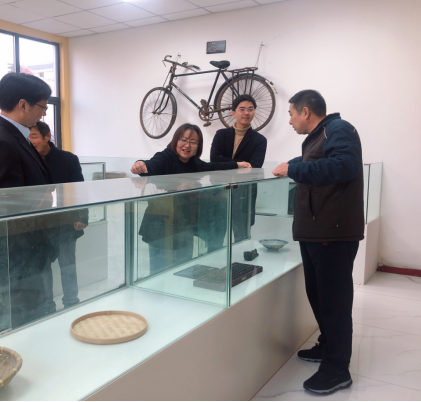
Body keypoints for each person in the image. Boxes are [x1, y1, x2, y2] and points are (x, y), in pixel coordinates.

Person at [272, 90, 364, 395]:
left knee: (334, 302)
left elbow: (344, 165)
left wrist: (293, 169)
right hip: (317, 232)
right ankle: (328, 345)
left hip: (332, 234)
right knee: (319, 295)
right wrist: (292, 163)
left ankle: (337, 370)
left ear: (306, 112)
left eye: (290, 114)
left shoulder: (339, 129)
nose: (289, 121)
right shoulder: (320, 136)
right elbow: (318, 161)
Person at [0, 73, 56, 336]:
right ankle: (9, 353)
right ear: (23, 104)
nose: (44, 113)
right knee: (16, 314)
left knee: (27, 309)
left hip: (27, 244)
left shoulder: (13, 135)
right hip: (19, 247)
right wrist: (41, 199)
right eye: (42, 106)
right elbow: (7, 203)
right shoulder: (1, 140)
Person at [131, 123, 251, 276]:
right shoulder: (165, 157)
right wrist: (141, 164)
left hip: (184, 228)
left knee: (183, 271)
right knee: (159, 274)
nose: (187, 145)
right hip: (160, 228)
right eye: (183, 140)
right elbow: (152, 164)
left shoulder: (195, 164)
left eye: (193, 142)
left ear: (198, 146)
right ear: (176, 140)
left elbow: (214, 166)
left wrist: (237, 165)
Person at [29, 121, 88, 309]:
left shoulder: (68, 159)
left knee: (67, 266)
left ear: (47, 136)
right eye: (28, 138)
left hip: (66, 223)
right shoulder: (28, 161)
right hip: (40, 225)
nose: (31, 141)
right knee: (43, 267)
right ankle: (47, 306)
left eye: (34, 136)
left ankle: (71, 302)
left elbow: (79, 190)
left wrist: (82, 216)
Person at [210, 94, 267, 243]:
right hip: (219, 194)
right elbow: (214, 160)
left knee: (242, 239)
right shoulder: (221, 135)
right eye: (242, 109)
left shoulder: (260, 140)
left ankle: (242, 259)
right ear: (233, 113)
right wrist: (239, 164)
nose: (246, 113)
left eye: (250, 109)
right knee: (214, 239)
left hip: (244, 195)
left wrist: (225, 162)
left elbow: (254, 167)